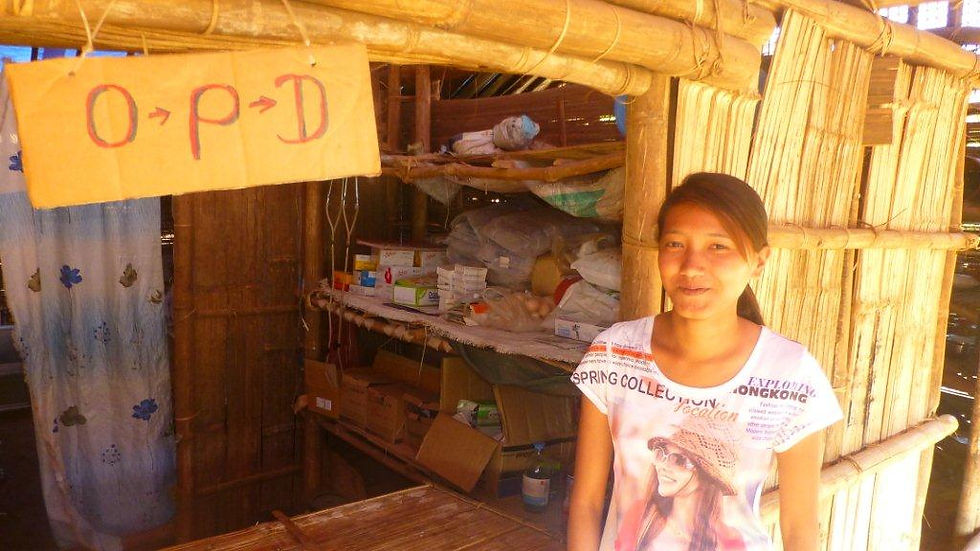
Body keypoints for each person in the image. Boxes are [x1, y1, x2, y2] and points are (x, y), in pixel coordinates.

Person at [567, 173, 843, 551]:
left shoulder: (790, 374)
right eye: (675, 244)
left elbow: (799, 528)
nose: (692, 266)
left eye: (718, 246)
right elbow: (586, 502)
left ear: (759, 261)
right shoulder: (615, 355)